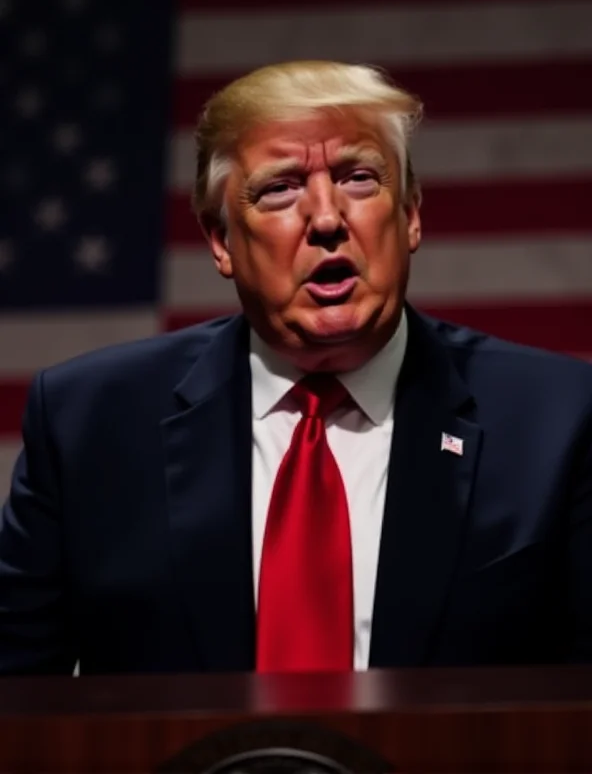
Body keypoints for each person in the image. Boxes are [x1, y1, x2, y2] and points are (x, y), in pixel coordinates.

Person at [1, 61, 592, 676]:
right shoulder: (88, 424)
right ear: (221, 242)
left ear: (411, 214)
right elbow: (17, 699)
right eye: (280, 187)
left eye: (359, 178)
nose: (329, 219)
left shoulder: (556, 420)